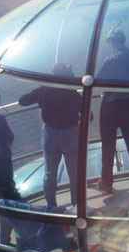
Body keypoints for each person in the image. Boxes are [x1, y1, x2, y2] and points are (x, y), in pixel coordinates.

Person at [18, 63, 82, 210]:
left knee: (50, 172)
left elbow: (23, 101)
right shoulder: (72, 93)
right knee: (74, 172)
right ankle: (76, 205)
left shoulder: (44, 90)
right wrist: (77, 122)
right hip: (70, 134)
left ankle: (51, 206)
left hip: (50, 134)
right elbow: (88, 114)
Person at [96, 28, 129, 190]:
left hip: (110, 106)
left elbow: (98, 80)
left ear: (113, 42)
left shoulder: (110, 60)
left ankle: (106, 182)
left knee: (108, 144)